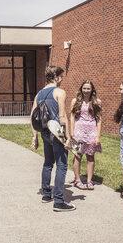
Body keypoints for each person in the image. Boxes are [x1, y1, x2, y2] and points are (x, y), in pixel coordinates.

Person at [30, 66, 75, 212]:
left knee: (48, 163)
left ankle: (46, 195)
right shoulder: (60, 92)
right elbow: (62, 116)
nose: (62, 80)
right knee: (62, 165)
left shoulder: (39, 94)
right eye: (61, 77)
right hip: (57, 134)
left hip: (44, 132)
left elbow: (33, 116)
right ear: (55, 76)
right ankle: (59, 201)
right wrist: (67, 137)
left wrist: (34, 137)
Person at [70, 80, 102, 190]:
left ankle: (89, 180)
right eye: (84, 88)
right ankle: (77, 180)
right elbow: (72, 117)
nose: (86, 91)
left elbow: (99, 119)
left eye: (88, 88)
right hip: (78, 132)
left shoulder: (97, 101)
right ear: (81, 89)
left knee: (90, 156)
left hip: (92, 132)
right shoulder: (75, 101)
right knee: (78, 156)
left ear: (92, 90)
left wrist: (98, 136)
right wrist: (72, 133)